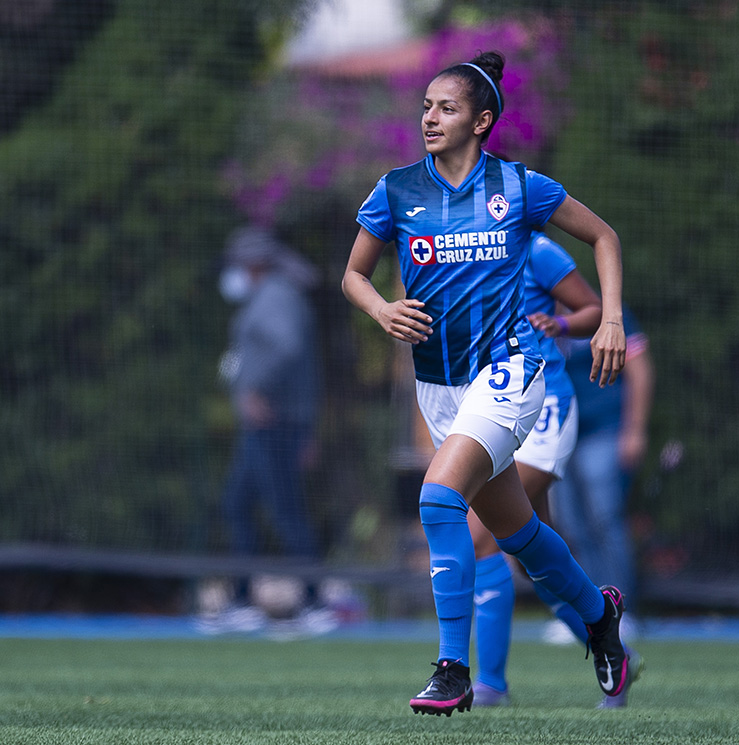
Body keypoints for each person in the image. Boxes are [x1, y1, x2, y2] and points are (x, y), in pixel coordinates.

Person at [342, 51, 633, 716]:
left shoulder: (519, 186)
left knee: (439, 499)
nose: (430, 118)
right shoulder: (395, 191)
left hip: (510, 372)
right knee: (518, 534)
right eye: (425, 107)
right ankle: (598, 616)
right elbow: (352, 275)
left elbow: (605, 237)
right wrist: (381, 308)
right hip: (438, 388)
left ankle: (454, 669)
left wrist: (608, 319)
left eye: (445, 108)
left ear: (483, 119)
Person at [466, 230, 642, 709]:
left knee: (482, 535)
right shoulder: (458, 244)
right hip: (493, 409)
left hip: (544, 408)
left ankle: (491, 685)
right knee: (532, 558)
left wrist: (562, 326)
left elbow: (593, 310)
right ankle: (614, 649)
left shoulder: (535, 248)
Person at [205, 225, 327, 634]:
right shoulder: (270, 294)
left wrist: (257, 389)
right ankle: (242, 601)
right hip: (264, 427)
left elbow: (287, 347)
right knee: (239, 505)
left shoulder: (276, 295)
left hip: (276, 424)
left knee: (285, 510)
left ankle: (313, 604)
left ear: (254, 263)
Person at [550, 306, 654, 658]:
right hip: (562, 434)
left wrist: (634, 429)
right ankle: (592, 613)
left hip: (605, 431)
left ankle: (623, 612)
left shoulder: (608, 314)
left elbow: (640, 370)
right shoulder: (539, 316)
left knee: (605, 521)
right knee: (573, 527)